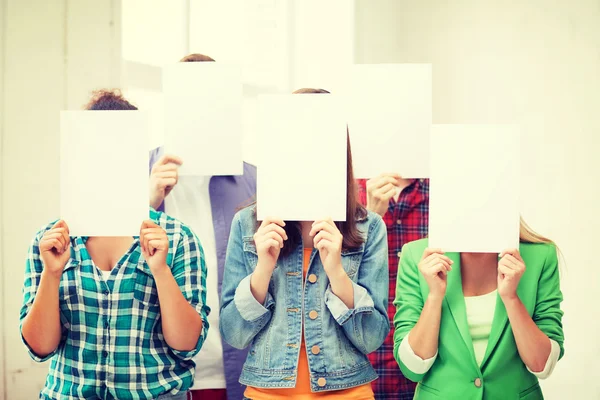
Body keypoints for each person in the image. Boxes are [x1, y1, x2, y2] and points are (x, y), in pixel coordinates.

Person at [20, 90, 209, 400]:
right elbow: (40, 348)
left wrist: (160, 271)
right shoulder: (50, 241)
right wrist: (51, 275)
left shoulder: (177, 238)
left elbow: (186, 342)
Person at [220, 88, 390, 399]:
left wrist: (337, 273)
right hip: (267, 392)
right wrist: (263, 269)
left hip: (348, 391)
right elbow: (233, 334)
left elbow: (373, 337)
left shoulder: (370, 227)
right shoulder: (247, 224)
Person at [149, 53, 256, 400]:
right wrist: (146, 203)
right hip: (156, 374)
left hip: (239, 373)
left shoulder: (256, 181)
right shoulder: (136, 173)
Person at [393, 220, 564, 399]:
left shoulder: (540, 256)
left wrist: (511, 298)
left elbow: (542, 365)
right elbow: (412, 368)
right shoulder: (417, 255)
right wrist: (434, 297)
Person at [357, 175, 429, 399]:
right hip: (365, 360)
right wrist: (372, 216)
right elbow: (331, 279)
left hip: (428, 360)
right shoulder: (346, 196)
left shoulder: (444, 195)